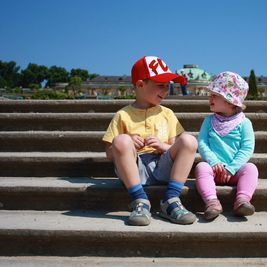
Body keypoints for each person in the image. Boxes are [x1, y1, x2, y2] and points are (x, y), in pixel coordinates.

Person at [102, 56, 197, 226]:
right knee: (121, 140)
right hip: (135, 169)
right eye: (160, 85)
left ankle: (171, 199)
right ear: (140, 85)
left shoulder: (167, 113)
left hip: (163, 166)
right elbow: (110, 154)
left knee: (189, 141)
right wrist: (129, 141)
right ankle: (140, 200)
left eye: (168, 86)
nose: (166, 90)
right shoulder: (122, 115)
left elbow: (175, 146)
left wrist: (163, 146)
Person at [195, 71, 258, 220]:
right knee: (201, 167)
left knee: (251, 168)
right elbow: (202, 143)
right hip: (214, 169)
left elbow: (247, 148)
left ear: (230, 101)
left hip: (235, 171)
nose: (210, 97)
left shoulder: (244, 123)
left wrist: (232, 168)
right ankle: (212, 202)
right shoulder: (209, 121)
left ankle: (242, 200)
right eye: (211, 94)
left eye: (215, 95)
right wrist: (213, 161)